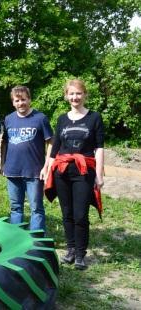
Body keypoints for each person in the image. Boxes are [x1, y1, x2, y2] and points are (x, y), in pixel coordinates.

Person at [45, 79, 104, 270]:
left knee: (80, 214)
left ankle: (80, 253)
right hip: (62, 171)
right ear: (66, 96)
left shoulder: (94, 117)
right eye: (71, 94)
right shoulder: (62, 118)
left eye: (78, 93)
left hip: (84, 171)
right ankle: (70, 250)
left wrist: (99, 174)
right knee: (67, 213)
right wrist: (47, 170)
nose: (75, 97)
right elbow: (55, 148)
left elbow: (99, 148)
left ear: (85, 95)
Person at [1, 86, 53, 231]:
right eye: (17, 100)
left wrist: (46, 166)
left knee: (36, 207)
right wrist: (2, 163)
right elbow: (4, 142)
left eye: (23, 99)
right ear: (13, 102)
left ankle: (36, 241)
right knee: (15, 207)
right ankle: (16, 238)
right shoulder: (8, 119)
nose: (20, 103)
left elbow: (50, 142)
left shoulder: (40, 118)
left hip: (34, 171)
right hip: (12, 170)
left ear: (29, 99)